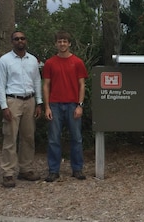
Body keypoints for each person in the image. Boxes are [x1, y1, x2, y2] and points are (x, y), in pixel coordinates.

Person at [0, 31, 43, 188]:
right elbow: (0, 85)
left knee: (28, 137)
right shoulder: (5, 60)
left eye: (22, 38)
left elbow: (37, 81)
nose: (20, 41)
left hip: (29, 101)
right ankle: (8, 173)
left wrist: (39, 102)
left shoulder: (32, 60)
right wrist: (4, 106)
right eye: (16, 39)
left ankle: (26, 169)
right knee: (10, 138)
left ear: (26, 40)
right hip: (13, 101)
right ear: (12, 42)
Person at [42, 31, 88, 182]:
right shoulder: (50, 63)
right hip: (54, 105)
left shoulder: (77, 62)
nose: (62, 44)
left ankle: (77, 168)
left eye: (65, 41)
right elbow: (46, 85)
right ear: (56, 44)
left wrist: (80, 105)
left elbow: (82, 85)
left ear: (69, 44)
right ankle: (53, 170)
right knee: (54, 139)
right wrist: (47, 107)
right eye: (59, 41)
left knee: (77, 138)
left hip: (73, 105)